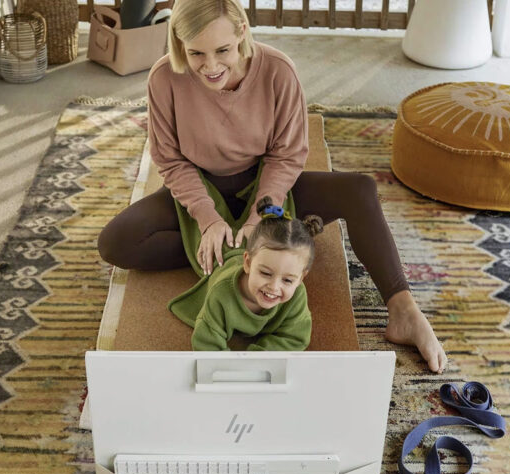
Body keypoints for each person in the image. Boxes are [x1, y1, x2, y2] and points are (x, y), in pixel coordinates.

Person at [97, 0, 448, 372]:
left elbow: (288, 154)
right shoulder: (165, 77)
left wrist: (259, 215)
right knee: (115, 242)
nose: (210, 66)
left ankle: (404, 310)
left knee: (359, 189)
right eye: (195, 52)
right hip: (201, 184)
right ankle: (230, 252)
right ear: (179, 42)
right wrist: (208, 219)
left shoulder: (278, 71)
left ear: (242, 33)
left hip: (266, 182)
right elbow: (169, 159)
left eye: (222, 51)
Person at [170, 197, 322, 351]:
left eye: (288, 280)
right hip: (224, 255)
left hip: (255, 248)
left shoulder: (297, 293)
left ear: (301, 278)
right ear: (248, 263)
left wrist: (256, 358)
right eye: (265, 273)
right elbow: (207, 343)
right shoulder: (221, 294)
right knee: (193, 226)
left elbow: (295, 338)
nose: (274, 287)